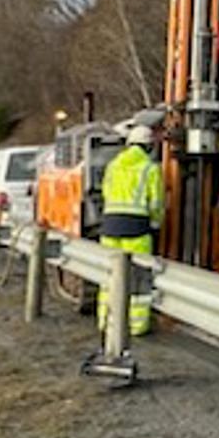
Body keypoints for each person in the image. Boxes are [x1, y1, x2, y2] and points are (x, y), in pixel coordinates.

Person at [98, 123, 164, 337]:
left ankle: (106, 320)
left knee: (109, 276)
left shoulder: (113, 165)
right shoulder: (151, 168)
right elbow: (156, 204)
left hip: (110, 227)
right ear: (149, 147)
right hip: (137, 229)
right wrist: (155, 225)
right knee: (139, 279)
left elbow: (106, 193)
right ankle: (137, 325)